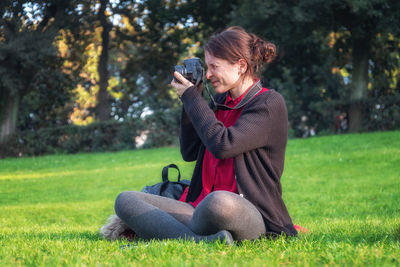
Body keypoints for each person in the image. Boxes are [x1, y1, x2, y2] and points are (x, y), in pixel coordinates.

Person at [114, 26, 297, 244]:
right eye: (207, 67)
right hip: (198, 208)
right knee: (126, 200)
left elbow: (223, 145)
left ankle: (174, 234)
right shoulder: (220, 102)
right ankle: (205, 240)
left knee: (217, 202)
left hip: (246, 212)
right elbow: (190, 151)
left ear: (240, 66)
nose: (208, 74)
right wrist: (192, 99)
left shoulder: (268, 103)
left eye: (214, 67)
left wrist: (192, 98)